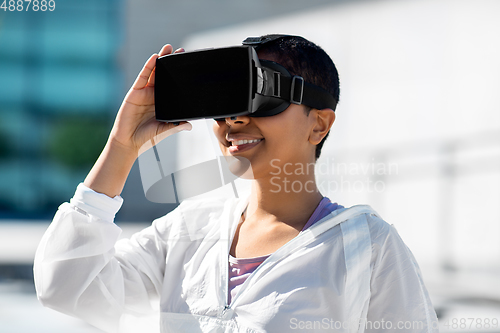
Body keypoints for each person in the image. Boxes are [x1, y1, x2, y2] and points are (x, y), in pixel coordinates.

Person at [34, 35, 439, 332]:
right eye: (224, 105)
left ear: (319, 123)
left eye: (260, 96)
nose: (234, 120)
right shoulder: (188, 231)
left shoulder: (366, 247)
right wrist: (122, 146)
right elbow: (68, 288)